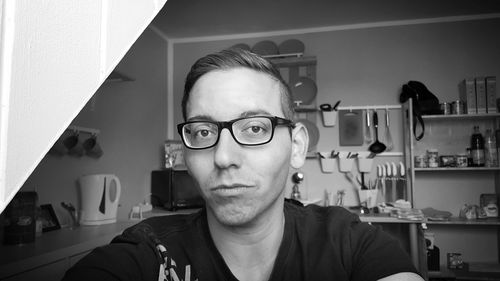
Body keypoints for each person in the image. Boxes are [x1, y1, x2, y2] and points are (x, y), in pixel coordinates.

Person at [63, 48, 424, 281]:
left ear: (296, 145)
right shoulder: (149, 253)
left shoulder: (348, 244)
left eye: (253, 128)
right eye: (203, 132)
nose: (222, 157)